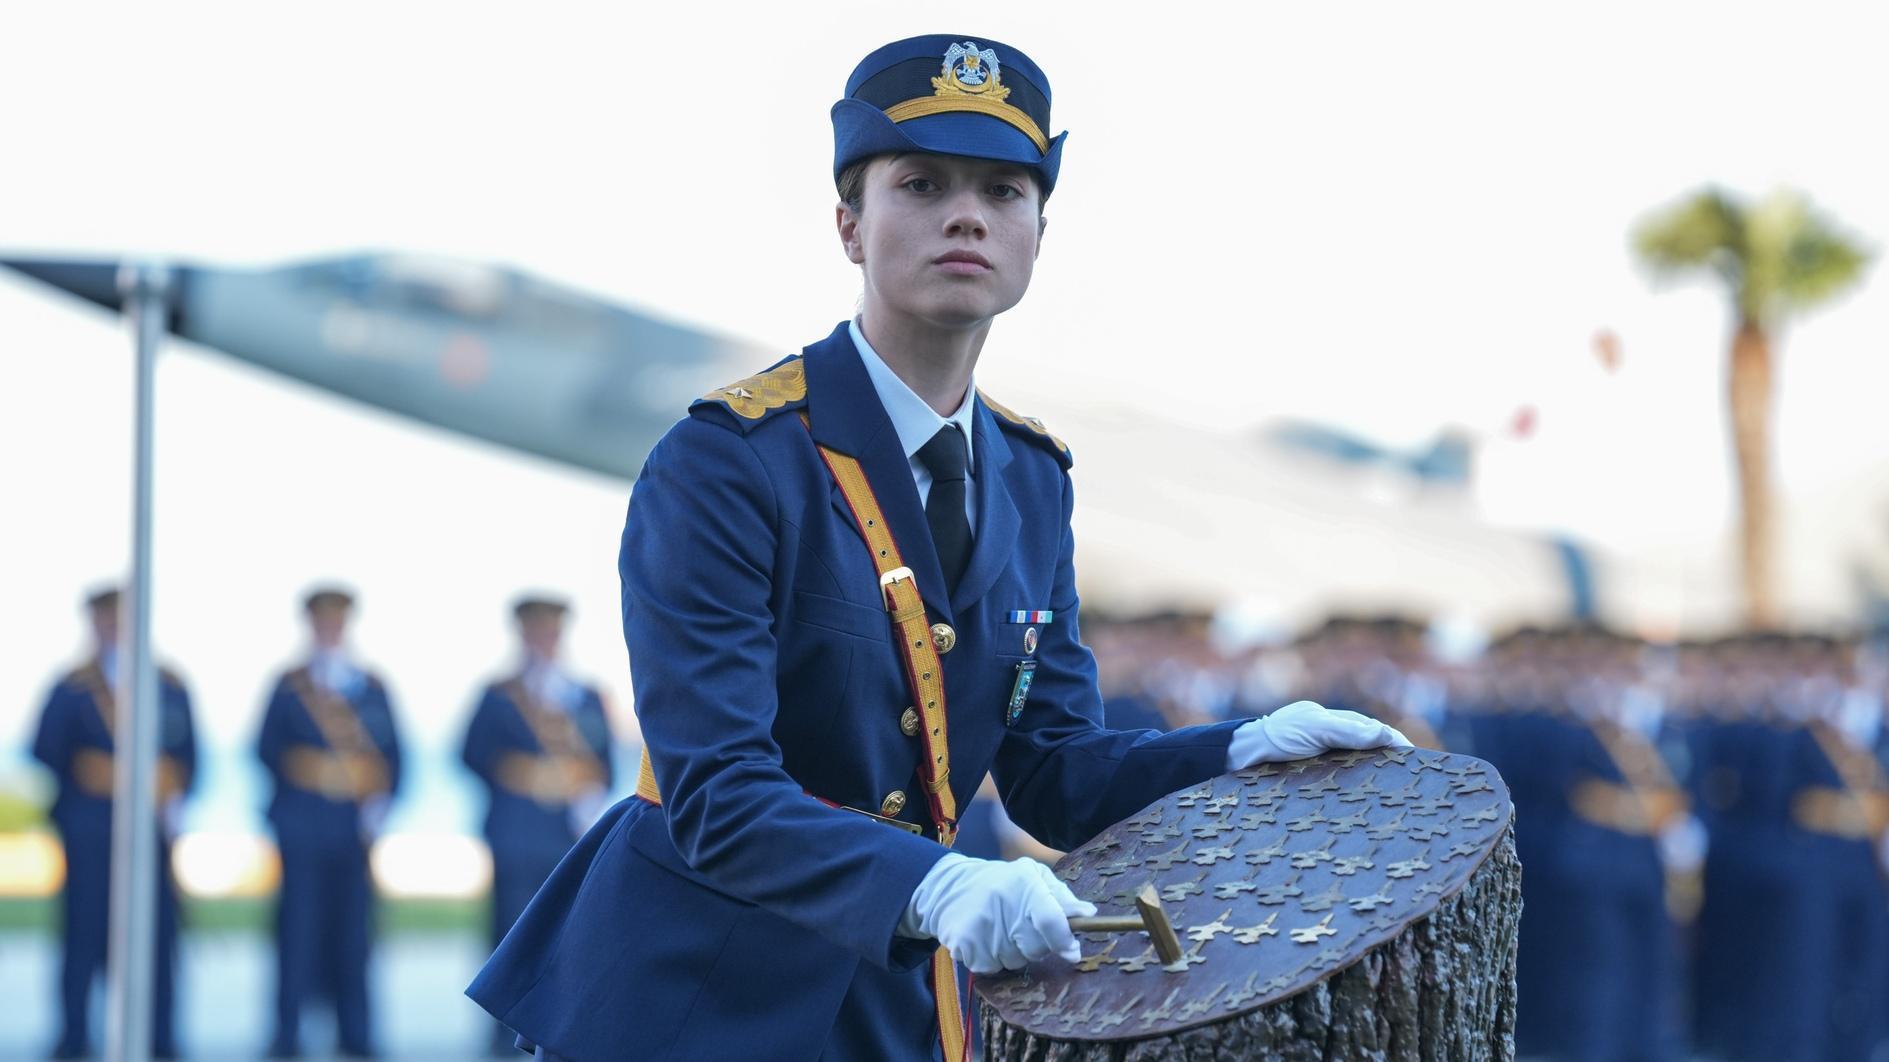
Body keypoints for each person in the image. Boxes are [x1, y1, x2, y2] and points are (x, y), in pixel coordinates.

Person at [467, 34, 1407, 1061]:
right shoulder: (729, 463)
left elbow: (1048, 767)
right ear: (848, 226)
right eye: (919, 183)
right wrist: (939, 879)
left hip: (896, 1004)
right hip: (695, 995)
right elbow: (717, 793)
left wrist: (1231, 753)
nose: (966, 214)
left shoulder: (1032, 478)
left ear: (1038, 233)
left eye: (1003, 191)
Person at [30, 586, 197, 1060]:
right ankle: (74, 1036)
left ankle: (161, 1038)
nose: (115, 628)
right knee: (82, 938)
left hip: (149, 833)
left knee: (158, 939)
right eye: (106, 619)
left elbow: (188, 758)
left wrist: (170, 793)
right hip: (91, 832)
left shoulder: (167, 685)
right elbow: (46, 750)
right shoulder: (72, 688)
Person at [460, 595, 615, 1056]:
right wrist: (521, 774)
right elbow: (470, 754)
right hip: (514, 831)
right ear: (523, 635)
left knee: (564, 936)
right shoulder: (499, 695)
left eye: (550, 632)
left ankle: (552, 1028)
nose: (544, 640)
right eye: (536, 632)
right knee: (507, 931)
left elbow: (602, 764)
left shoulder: (584, 696)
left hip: (565, 836)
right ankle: (498, 1033)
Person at [256, 586, 404, 1059]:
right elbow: (266, 752)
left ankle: (356, 1034)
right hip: (302, 827)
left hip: (351, 830)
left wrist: (379, 804)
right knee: (296, 935)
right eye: (322, 622)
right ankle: (288, 1034)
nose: (330, 630)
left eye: (336, 621)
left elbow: (394, 759)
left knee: (354, 937)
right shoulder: (289, 686)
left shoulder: (371, 687)